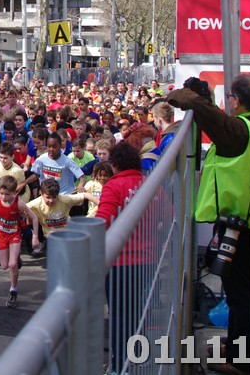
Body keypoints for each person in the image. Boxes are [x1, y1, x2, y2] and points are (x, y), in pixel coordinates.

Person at [167, 74, 250, 373]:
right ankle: (238, 345)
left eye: (229, 97)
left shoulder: (240, 131)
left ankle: (239, 360)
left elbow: (192, 105)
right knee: (247, 291)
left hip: (241, 224)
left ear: (237, 101)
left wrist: (189, 95)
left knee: (240, 295)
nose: (227, 102)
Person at [95, 143, 151, 374]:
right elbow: (167, 213)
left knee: (119, 315)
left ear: (115, 164)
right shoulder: (149, 184)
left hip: (120, 262)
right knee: (138, 313)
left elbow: (102, 221)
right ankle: (138, 359)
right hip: (147, 261)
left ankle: (120, 366)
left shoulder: (113, 185)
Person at [0, 175, 40, 307]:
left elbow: (34, 218)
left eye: (7, 194)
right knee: (4, 266)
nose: (4, 197)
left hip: (14, 234)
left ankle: (13, 290)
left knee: (12, 264)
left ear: (14, 193)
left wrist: (35, 236)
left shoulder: (19, 203)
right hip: (1, 235)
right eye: (2, 193)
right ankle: (16, 258)